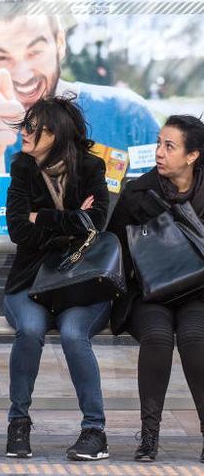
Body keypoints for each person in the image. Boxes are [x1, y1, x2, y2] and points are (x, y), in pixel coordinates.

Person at [2, 96, 111, 461]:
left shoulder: (92, 168)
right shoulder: (22, 167)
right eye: (25, 125)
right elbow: (18, 229)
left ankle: (94, 431)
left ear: (56, 132)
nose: (24, 133)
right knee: (30, 330)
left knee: (73, 333)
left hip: (81, 283)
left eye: (32, 127)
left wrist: (42, 217)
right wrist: (68, 221)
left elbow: (95, 224)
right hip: (30, 283)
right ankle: (18, 423)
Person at [0, 0, 159, 177]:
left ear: (60, 43)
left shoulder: (127, 117)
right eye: (2, 58)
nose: (23, 75)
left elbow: (176, 198)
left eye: (35, 52)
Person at [107, 115, 204, 463]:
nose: (159, 152)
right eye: (158, 143)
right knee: (158, 338)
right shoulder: (137, 191)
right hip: (149, 292)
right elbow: (115, 246)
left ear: (192, 156)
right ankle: (149, 437)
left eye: (169, 146)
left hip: (197, 293)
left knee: (195, 338)